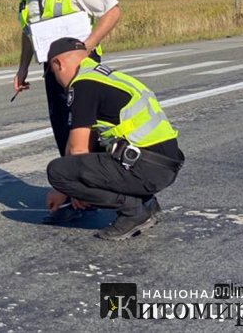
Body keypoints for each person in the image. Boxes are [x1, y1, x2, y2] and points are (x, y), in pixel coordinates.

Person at [12, 0, 121, 223]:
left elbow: (112, 11)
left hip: (83, 67)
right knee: (63, 128)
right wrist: (23, 68)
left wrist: (88, 46)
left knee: (86, 130)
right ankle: (77, 192)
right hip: (53, 68)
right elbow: (30, 33)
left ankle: (99, 190)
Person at [44, 37, 185, 240]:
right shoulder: (104, 75)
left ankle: (132, 211)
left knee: (57, 171)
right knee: (100, 148)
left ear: (58, 64)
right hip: (164, 164)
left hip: (146, 167)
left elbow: (77, 149)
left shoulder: (83, 84)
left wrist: (66, 188)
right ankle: (146, 203)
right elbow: (86, 138)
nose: (58, 80)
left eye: (55, 73)